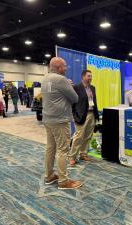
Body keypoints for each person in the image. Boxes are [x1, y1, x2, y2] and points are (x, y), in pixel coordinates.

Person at [41, 57, 82, 190]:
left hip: (48, 119)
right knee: (63, 150)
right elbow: (75, 98)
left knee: (50, 148)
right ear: (59, 67)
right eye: (65, 66)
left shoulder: (45, 78)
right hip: (59, 120)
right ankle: (63, 181)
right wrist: (69, 85)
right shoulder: (61, 79)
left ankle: (49, 176)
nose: (66, 68)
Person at [68, 69, 99, 166]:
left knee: (88, 136)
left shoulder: (93, 88)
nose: (90, 78)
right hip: (81, 115)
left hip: (91, 114)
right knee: (78, 137)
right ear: (83, 77)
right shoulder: (76, 87)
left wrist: (96, 114)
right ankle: (72, 157)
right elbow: (72, 102)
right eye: (88, 76)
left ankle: (83, 154)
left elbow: (94, 101)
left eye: (91, 76)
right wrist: (73, 115)